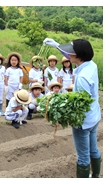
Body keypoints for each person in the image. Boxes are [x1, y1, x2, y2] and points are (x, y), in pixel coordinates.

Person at [44, 38, 102, 178]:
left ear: (79, 55)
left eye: (71, 52)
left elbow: (81, 106)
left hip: (83, 122)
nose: (68, 56)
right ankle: (96, 177)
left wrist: (59, 106)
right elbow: (69, 53)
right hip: (94, 117)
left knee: (83, 157)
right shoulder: (91, 65)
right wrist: (57, 45)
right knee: (93, 149)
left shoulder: (82, 78)